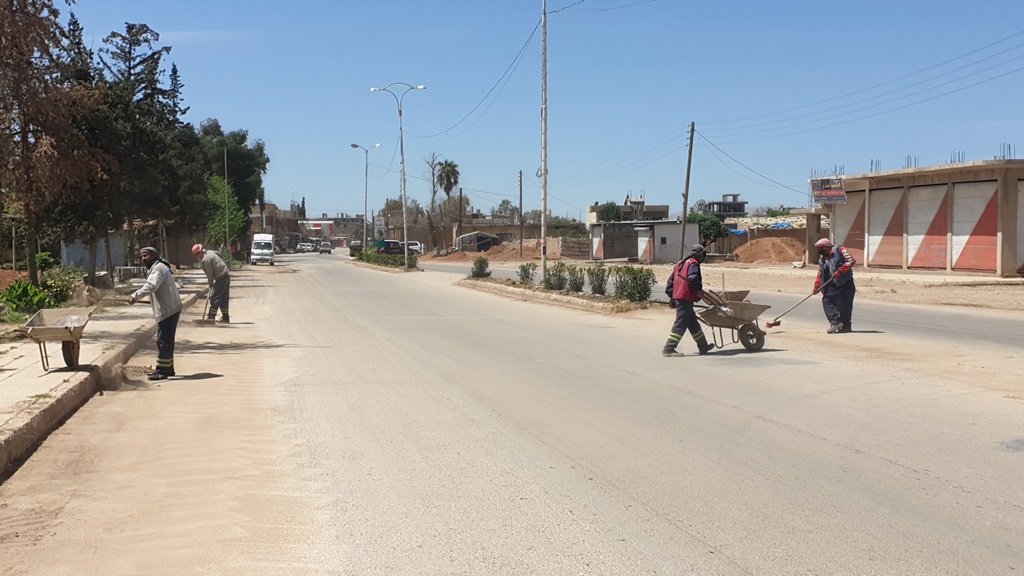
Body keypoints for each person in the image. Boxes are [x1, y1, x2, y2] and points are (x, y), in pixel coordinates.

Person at [128, 247, 182, 380]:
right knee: (167, 341)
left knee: (163, 341)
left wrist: (136, 295)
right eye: (141, 256)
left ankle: (161, 371)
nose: (143, 259)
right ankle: (168, 368)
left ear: (153, 255)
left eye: (145, 256)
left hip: (168, 310)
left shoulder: (158, 268)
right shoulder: (159, 266)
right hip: (170, 307)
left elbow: (151, 286)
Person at [662, 244, 713, 357]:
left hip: (680, 296)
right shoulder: (693, 263)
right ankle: (669, 348)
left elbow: (670, 282)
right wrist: (698, 289)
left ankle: (703, 346)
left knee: (693, 323)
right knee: (681, 323)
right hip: (686, 297)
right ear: (699, 254)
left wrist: (672, 296)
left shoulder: (680, 264)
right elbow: (693, 278)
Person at [813, 238, 857, 334]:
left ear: (825, 247)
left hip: (845, 284)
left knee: (844, 306)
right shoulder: (822, 259)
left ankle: (846, 326)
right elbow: (820, 273)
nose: (818, 251)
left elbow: (851, 261)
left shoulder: (840, 249)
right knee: (827, 300)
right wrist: (817, 286)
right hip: (831, 285)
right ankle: (835, 322)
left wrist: (840, 271)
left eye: (819, 248)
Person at [193, 243, 230, 323]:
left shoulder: (206, 259)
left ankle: (211, 317)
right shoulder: (210, 252)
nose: (197, 256)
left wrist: (210, 283)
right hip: (226, 277)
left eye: (197, 254)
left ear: (201, 251)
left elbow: (210, 273)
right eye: (195, 254)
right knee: (223, 299)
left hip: (220, 278)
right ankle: (225, 318)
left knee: (214, 297)